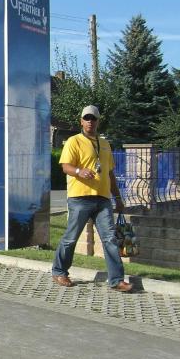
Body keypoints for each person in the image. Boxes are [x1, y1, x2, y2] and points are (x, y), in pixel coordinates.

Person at [51, 105, 133, 292]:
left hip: (103, 200)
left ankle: (116, 280)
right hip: (79, 198)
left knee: (110, 239)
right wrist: (79, 171)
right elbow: (65, 166)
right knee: (71, 237)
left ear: (98, 121)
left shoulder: (105, 144)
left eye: (93, 118)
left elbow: (110, 173)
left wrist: (118, 198)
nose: (90, 121)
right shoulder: (74, 141)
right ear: (81, 121)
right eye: (86, 118)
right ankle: (59, 271)